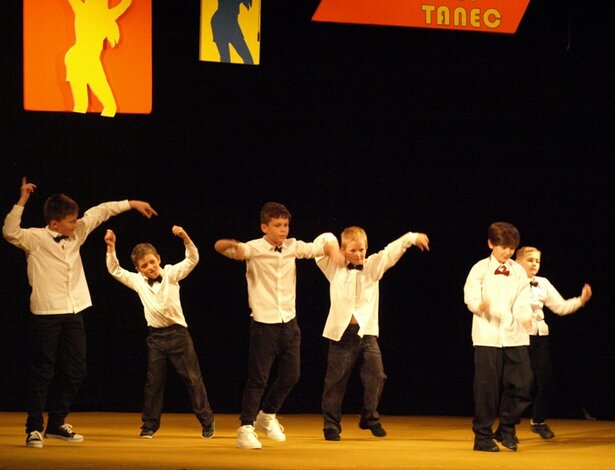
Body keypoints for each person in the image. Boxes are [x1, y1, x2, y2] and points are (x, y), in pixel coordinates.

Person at [2, 177, 157, 449]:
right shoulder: (35, 239)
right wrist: (22, 200)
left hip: (74, 311)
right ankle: (34, 427)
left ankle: (57, 423)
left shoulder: (77, 233)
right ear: (54, 224)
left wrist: (131, 203)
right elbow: (9, 231)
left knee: (76, 369)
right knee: (43, 372)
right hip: (46, 313)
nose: (77, 224)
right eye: (71, 221)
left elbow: (101, 211)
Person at [214, 202, 344, 449]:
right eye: (277, 225)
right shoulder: (253, 248)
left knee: (291, 375)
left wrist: (335, 252)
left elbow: (324, 244)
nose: (283, 229)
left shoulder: (293, 246)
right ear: (265, 227)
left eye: (286, 225)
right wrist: (232, 244)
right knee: (258, 379)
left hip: (289, 324)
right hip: (264, 325)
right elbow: (218, 246)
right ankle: (245, 428)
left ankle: (267, 415)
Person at [314, 226, 430, 441]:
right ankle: (331, 425)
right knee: (335, 382)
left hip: (366, 333)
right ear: (343, 250)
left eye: (362, 250)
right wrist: (333, 250)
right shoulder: (333, 266)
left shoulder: (373, 266)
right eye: (353, 250)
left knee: (377, 376)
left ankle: (369, 417)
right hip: (341, 334)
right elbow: (322, 239)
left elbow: (391, 251)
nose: (359, 255)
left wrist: (412, 237)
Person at [104, 226, 215, 439]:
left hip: (179, 335)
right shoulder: (137, 281)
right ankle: (149, 425)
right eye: (144, 266)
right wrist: (111, 247)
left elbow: (192, 259)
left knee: (193, 379)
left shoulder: (171, 273)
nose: (150, 267)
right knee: (153, 382)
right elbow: (115, 270)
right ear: (138, 269)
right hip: (156, 337)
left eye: (152, 262)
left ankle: (207, 421)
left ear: (158, 259)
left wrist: (185, 237)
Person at [463, 222, 534, 452]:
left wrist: (525, 316)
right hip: (487, 336)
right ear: (491, 244)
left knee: (523, 384)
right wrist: (480, 306)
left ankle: (506, 428)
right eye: (504, 247)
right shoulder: (479, 269)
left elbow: (523, 300)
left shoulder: (518, 271)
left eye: (512, 248)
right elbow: (470, 297)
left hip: (515, 335)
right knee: (487, 389)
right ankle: (482, 437)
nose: (508, 252)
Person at [515, 246, 592, 439]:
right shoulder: (510, 282)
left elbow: (561, 307)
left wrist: (581, 300)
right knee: (522, 385)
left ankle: (538, 421)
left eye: (537, 261)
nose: (534, 264)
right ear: (517, 262)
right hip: (518, 337)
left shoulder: (543, 283)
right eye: (530, 260)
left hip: (539, 336)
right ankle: (507, 427)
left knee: (546, 381)